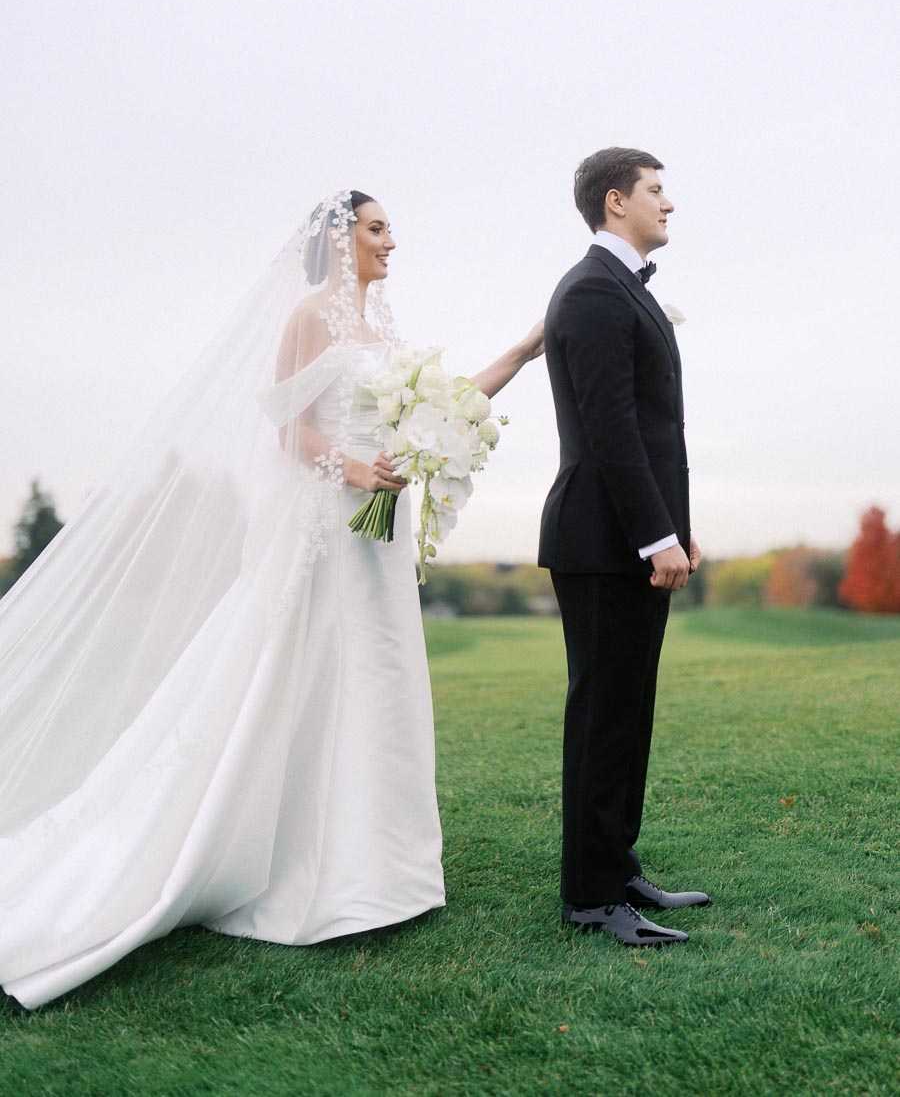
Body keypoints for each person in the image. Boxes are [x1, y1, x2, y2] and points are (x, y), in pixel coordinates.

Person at [0, 190, 544, 1008]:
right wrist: (360, 470)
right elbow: (288, 430)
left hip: (383, 536)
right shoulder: (309, 315)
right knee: (313, 675)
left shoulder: (383, 328)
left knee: (381, 679)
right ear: (340, 238)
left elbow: (440, 409)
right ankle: (296, 866)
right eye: (376, 228)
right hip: (330, 525)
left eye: (389, 228)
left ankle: (382, 871)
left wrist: (528, 348)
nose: (392, 241)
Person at [538, 148, 709, 947]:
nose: (668, 204)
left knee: (629, 710)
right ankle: (590, 898)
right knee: (603, 714)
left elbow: (648, 431)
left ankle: (618, 865)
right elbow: (609, 431)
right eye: (656, 191)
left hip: (633, 538)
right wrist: (653, 535)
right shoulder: (593, 293)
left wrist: (673, 527)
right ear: (616, 202)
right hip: (603, 541)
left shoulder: (621, 290)